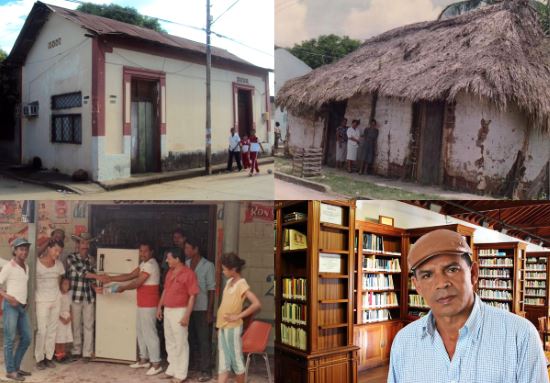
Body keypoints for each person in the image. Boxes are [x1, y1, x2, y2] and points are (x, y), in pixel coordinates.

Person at [388, 229, 548, 383]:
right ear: (417, 286)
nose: (441, 283)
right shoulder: (404, 342)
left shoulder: (520, 336)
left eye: (452, 269)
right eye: (427, 275)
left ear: (473, 274)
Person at [102, 241, 162, 376]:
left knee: (149, 333)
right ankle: (144, 360)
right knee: (141, 331)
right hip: (142, 303)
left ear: (151, 252)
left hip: (149, 304)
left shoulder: (151, 265)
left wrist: (122, 288)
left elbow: (137, 282)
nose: (142, 254)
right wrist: (110, 278)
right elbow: (130, 275)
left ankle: (156, 363)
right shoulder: (143, 264)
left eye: (145, 251)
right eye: (141, 251)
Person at [216, 253, 261, 383]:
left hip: (232, 328)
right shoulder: (229, 282)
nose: (223, 271)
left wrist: (238, 316)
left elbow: (256, 304)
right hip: (223, 327)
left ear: (233, 269)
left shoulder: (241, 283)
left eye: (224, 269)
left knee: (236, 361)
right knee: (223, 362)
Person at [157, 248, 199, 383]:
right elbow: (165, 291)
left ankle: (181, 373)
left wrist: (187, 315)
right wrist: (160, 307)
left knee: (180, 342)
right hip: (168, 310)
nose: (166, 261)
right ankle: (172, 368)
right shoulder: (170, 272)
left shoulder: (189, 274)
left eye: (169, 258)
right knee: (169, 341)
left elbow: (193, 296)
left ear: (177, 259)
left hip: (180, 310)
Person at [65, 232, 105, 362]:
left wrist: (95, 286)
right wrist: (98, 277)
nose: (85, 245)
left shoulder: (91, 259)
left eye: (87, 243)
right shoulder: (71, 258)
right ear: (78, 244)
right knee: (76, 325)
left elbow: (90, 279)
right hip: (75, 296)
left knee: (88, 325)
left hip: (88, 296)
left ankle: (87, 353)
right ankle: (76, 350)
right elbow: (83, 273)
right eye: (83, 242)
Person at [0, 238, 33, 381]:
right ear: (15, 250)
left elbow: (22, 286)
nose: (24, 252)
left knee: (27, 337)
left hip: (22, 307)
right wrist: (8, 297)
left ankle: (16, 367)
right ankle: (10, 371)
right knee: (9, 339)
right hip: (11, 307)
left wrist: (26, 301)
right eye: (21, 249)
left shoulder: (27, 267)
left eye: (26, 249)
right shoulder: (9, 266)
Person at [184, 239, 216, 381]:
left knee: (204, 340)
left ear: (196, 249)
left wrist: (209, 312)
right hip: (187, 308)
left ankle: (206, 370)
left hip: (202, 308)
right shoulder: (186, 264)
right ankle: (192, 365)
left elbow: (211, 290)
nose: (185, 250)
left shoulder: (208, 265)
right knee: (189, 338)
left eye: (188, 247)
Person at [34, 239, 65, 370]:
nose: (57, 254)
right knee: (42, 331)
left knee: (52, 330)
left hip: (56, 299)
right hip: (41, 300)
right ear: (48, 248)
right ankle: (39, 358)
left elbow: (60, 280)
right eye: (55, 250)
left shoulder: (59, 265)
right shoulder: (37, 263)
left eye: (60, 252)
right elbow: (34, 253)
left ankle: (48, 357)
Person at [54, 278, 73, 363]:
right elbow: (56, 309)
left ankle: (63, 354)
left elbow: (70, 307)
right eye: (64, 284)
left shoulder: (69, 295)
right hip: (60, 318)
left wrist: (70, 317)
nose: (66, 286)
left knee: (64, 337)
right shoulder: (58, 295)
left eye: (68, 284)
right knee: (59, 337)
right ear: (61, 285)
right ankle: (58, 355)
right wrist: (61, 319)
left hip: (67, 317)